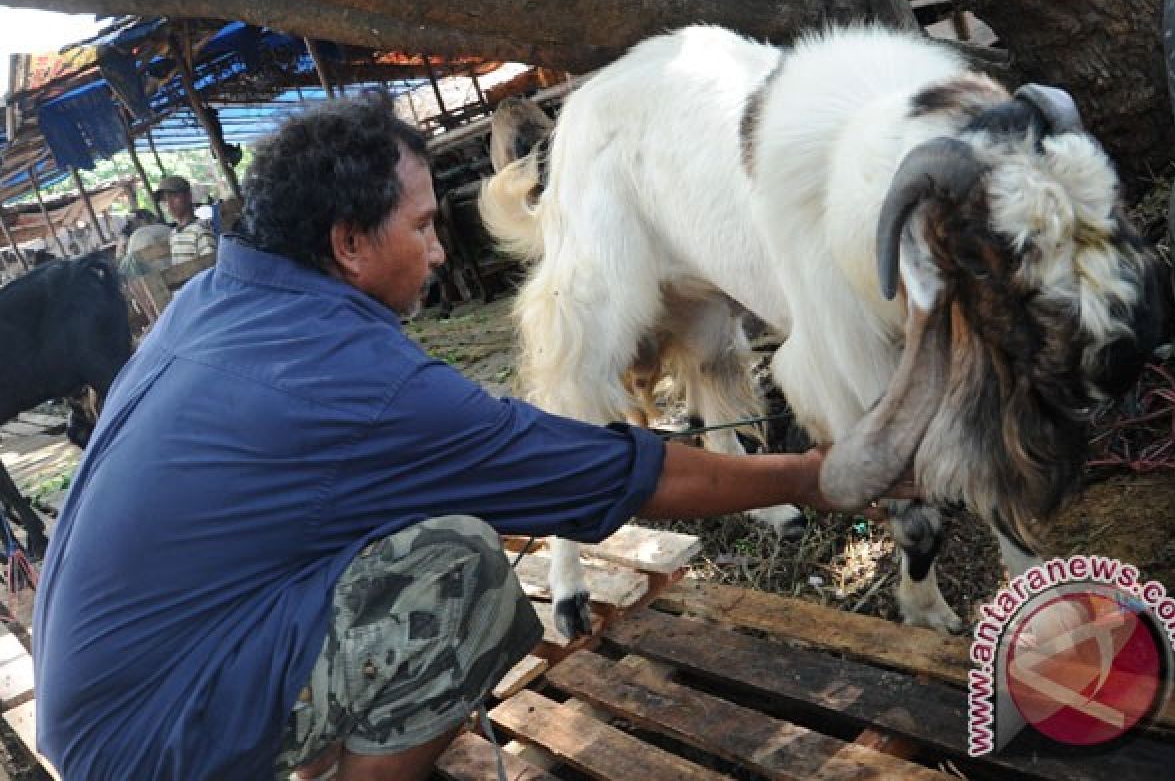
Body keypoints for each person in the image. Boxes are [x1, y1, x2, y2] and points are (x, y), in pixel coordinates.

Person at [33, 92, 915, 781]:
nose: (443, 253)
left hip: (103, 698)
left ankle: (309, 747)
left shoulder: (212, 301)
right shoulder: (356, 385)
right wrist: (808, 475)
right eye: (422, 229)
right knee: (455, 574)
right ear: (347, 242)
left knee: (384, 538)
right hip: (150, 743)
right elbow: (627, 474)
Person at [154, 173, 217, 265]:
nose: (169, 204)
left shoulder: (201, 230)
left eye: (174, 197)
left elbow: (211, 265)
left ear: (188, 196)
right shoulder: (174, 234)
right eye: (165, 200)